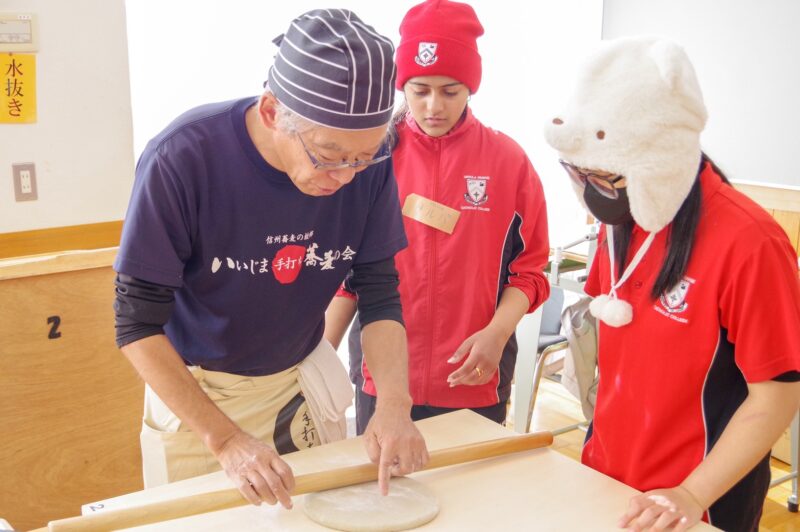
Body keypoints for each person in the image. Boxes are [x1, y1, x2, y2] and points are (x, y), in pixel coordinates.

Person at [113, 8, 428, 508]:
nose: (346, 176)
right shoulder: (182, 159)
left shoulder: (362, 161)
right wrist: (226, 442)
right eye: (328, 155)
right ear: (270, 112)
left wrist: (394, 402)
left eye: (364, 157)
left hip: (298, 379)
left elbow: (379, 292)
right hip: (201, 394)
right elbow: (135, 324)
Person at [544, 36, 800, 531]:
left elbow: (777, 397)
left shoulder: (750, 242)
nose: (594, 191)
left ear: (661, 158)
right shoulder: (624, 220)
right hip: (610, 478)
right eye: (581, 174)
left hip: (695, 499)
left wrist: (690, 493)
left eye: (606, 177)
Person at [325, 0, 550, 433]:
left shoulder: (508, 162)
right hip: (384, 377)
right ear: (402, 87)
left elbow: (530, 271)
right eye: (419, 90)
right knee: (385, 477)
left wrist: (498, 333)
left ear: (471, 88)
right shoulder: (374, 157)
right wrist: (317, 361)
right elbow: (345, 272)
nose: (434, 106)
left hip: (474, 374)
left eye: (450, 91)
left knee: (472, 478)